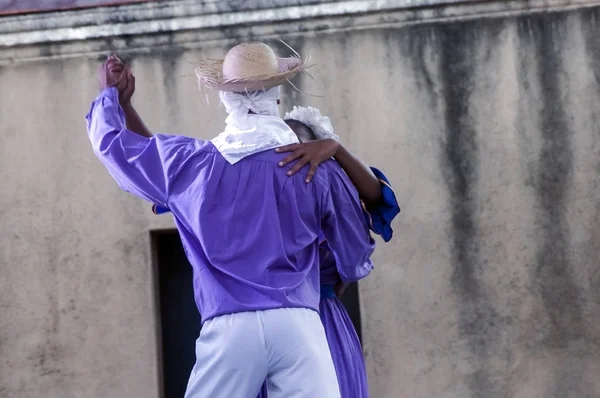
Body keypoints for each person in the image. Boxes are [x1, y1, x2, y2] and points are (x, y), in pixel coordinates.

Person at [85, 42, 375, 398]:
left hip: (229, 326)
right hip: (299, 322)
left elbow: (114, 146)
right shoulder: (315, 166)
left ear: (224, 99)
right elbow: (355, 242)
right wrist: (340, 275)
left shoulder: (193, 165)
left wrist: (110, 99)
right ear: (277, 99)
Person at [155, 106, 400, 398]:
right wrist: (123, 106)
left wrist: (336, 149)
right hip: (261, 322)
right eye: (279, 148)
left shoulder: (331, 194)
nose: (285, 159)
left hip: (319, 324)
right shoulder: (247, 201)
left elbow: (375, 198)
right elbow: (162, 169)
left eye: (297, 149)